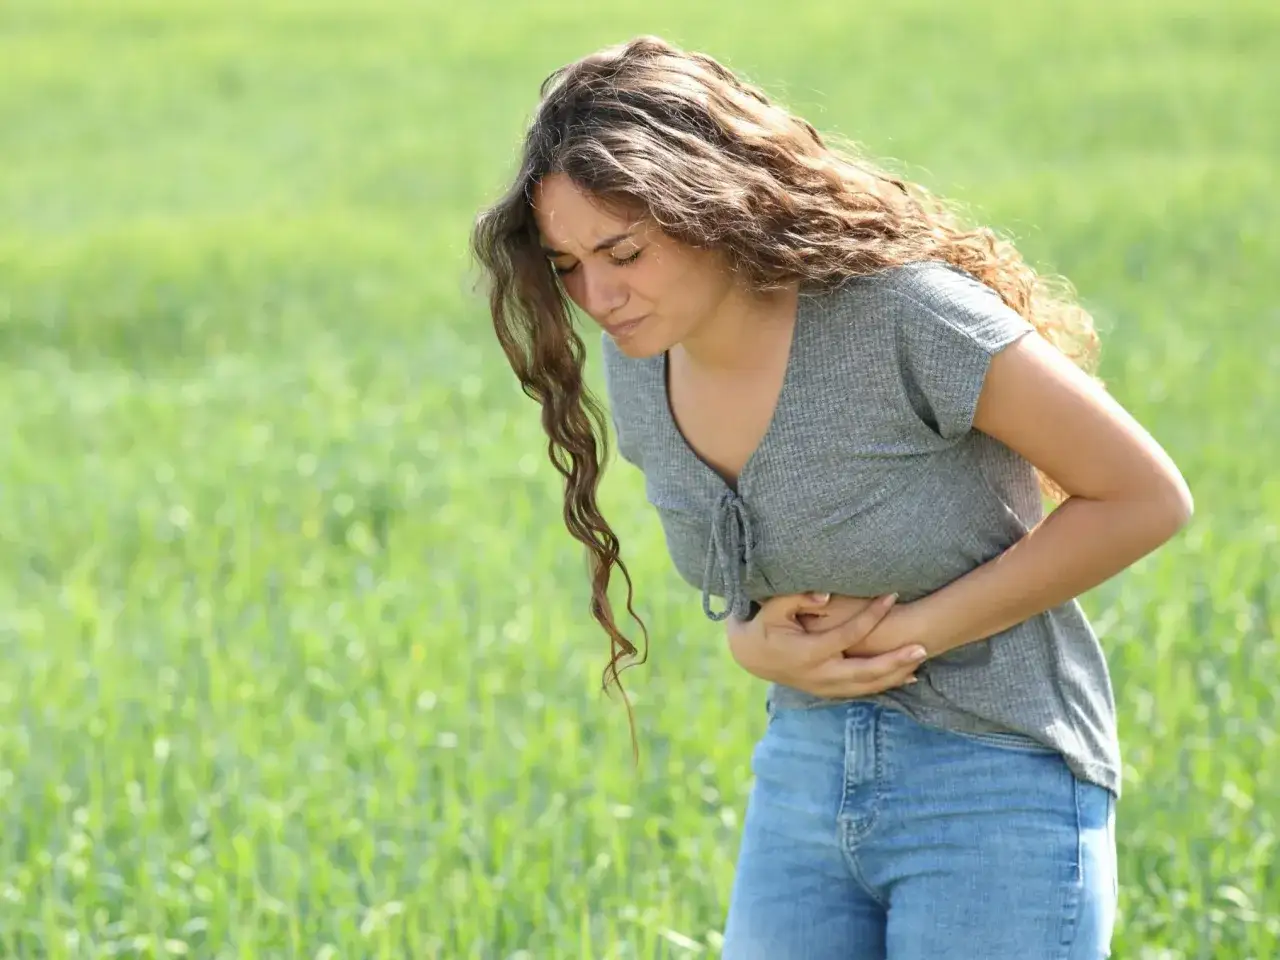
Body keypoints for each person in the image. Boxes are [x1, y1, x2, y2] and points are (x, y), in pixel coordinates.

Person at [470, 35, 1192, 960]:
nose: (597, 294)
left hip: (999, 779)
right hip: (803, 775)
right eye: (568, 265)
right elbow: (758, 594)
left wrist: (905, 634)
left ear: (713, 206)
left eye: (623, 251)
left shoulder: (907, 316)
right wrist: (750, 645)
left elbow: (1144, 496)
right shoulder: (642, 357)